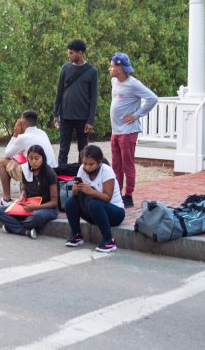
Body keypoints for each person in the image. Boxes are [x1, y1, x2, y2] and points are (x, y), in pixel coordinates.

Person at [108, 52, 158, 208]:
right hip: (115, 131)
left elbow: (152, 98)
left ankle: (128, 195)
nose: (110, 69)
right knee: (116, 165)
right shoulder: (114, 82)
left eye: (112, 66)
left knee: (127, 165)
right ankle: (117, 194)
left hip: (128, 132)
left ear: (120, 68)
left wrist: (137, 114)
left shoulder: (133, 83)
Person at [64, 144, 125, 253]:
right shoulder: (81, 170)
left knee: (94, 203)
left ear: (99, 162)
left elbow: (107, 197)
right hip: (94, 211)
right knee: (70, 202)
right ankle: (76, 235)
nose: (87, 167)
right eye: (85, 164)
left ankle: (109, 240)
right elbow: (76, 197)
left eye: (91, 164)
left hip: (115, 213)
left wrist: (91, 191)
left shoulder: (106, 171)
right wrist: (75, 190)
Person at [0, 145, 59, 239]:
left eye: (37, 158)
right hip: (29, 206)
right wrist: (23, 194)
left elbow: (54, 202)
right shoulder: (26, 169)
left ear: (43, 158)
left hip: (46, 208)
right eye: (31, 158)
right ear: (27, 158)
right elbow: (25, 187)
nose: (33, 162)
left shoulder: (49, 173)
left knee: (36, 216)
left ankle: (12, 227)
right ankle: (24, 231)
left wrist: (36, 207)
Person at [0, 110, 57, 206]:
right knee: (26, 159)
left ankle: (6, 199)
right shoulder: (43, 133)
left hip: (39, 174)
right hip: (52, 171)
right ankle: (25, 192)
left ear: (23, 122)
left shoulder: (23, 137)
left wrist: (15, 134)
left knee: (3, 162)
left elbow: (7, 154)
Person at [54, 39, 98, 165]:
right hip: (65, 116)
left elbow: (93, 97)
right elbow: (59, 92)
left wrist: (90, 120)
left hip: (83, 118)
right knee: (63, 150)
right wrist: (56, 113)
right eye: (69, 52)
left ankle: (82, 176)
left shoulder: (92, 71)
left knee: (83, 150)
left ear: (80, 53)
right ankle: (61, 177)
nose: (69, 55)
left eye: (71, 53)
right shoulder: (65, 68)